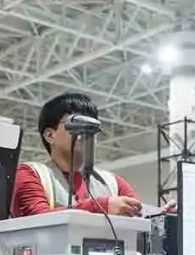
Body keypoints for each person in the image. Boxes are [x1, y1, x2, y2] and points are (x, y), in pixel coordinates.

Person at [10, 92, 143, 218]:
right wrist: (101, 207)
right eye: (77, 122)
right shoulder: (30, 174)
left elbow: (140, 216)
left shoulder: (113, 182)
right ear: (50, 135)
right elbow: (39, 219)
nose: (87, 131)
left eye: (92, 125)